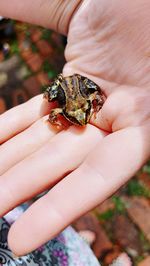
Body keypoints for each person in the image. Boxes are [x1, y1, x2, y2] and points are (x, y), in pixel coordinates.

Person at [0, 0, 149, 264]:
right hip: (69, 91)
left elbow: (89, 94)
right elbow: (57, 113)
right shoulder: (65, 114)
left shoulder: (80, 112)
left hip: (79, 88)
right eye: (77, 119)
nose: (81, 122)